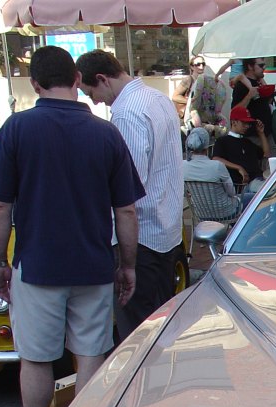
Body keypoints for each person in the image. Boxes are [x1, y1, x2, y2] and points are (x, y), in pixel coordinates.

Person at [0, 46, 144, 407]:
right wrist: (127, 265)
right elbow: (125, 210)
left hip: (37, 265)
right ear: (75, 80)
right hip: (93, 265)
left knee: (35, 357)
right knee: (90, 353)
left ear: (34, 84)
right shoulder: (106, 134)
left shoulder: (17, 129)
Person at [76, 49, 185, 340]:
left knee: (136, 338)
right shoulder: (159, 98)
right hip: (167, 231)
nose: (94, 100)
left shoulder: (127, 113)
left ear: (102, 79)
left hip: (141, 238)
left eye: (91, 92)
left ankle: (144, 387)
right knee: (162, 330)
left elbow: (127, 188)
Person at [183, 127, 240, 220]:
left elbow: (185, 192)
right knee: (252, 198)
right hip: (226, 213)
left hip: (200, 214)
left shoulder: (182, 166)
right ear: (207, 145)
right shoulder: (217, 166)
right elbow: (232, 192)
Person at [213, 105, 270, 197]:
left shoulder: (247, 142)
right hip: (243, 186)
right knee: (268, 190)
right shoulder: (223, 141)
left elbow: (266, 153)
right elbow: (216, 159)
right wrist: (239, 167)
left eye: (248, 123)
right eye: (244, 123)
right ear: (234, 122)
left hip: (258, 180)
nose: (247, 126)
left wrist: (261, 133)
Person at [231, 57, 276, 157]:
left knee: (273, 164)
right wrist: (249, 96)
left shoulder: (258, 82)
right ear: (250, 66)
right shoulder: (241, 86)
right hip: (252, 137)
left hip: (267, 133)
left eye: (264, 65)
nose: (264, 67)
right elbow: (234, 112)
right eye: (261, 65)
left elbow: (263, 104)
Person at [171, 55, 206, 124]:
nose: (201, 67)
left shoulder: (204, 80)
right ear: (192, 67)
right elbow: (175, 97)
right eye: (198, 64)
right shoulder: (188, 80)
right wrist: (191, 101)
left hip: (199, 115)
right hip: (187, 117)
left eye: (203, 64)